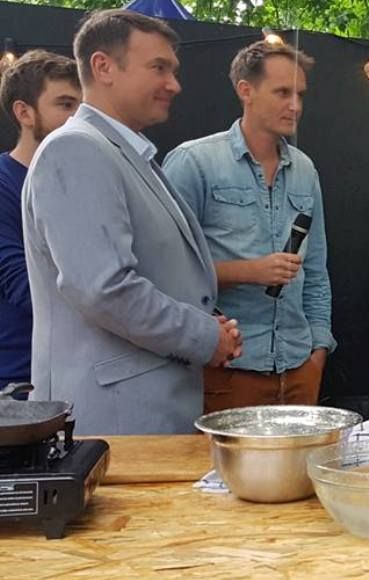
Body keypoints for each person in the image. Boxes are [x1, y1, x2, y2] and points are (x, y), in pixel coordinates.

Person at [22, 10, 241, 435]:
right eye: (159, 67)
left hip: (143, 414)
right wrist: (203, 336)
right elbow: (103, 289)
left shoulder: (123, 153)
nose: (174, 84)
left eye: (173, 70)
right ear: (103, 66)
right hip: (112, 424)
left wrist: (209, 324)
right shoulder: (76, 150)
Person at [163, 40, 335, 414]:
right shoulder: (193, 163)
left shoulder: (305, 170)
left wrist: (318, 349)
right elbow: (165, 274)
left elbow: (316, 271)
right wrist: (249, 271)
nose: (296, 105)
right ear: (246, 90)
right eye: (283, 92)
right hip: (227, 370)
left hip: (298, 367)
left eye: (300, 94)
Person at [0, 50, 80, 397]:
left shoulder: (88, 183)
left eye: (83, 106)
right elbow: (22, 285)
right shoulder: (3, 184)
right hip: (19, 383)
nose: (78, 117)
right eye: (65, 104)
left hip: (87, 372)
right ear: (24, 113)